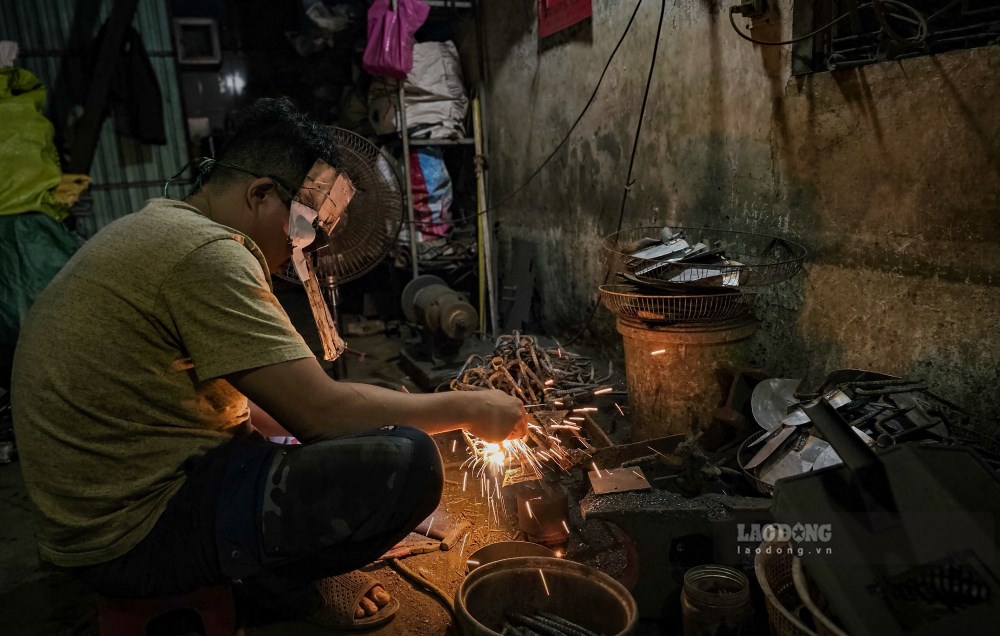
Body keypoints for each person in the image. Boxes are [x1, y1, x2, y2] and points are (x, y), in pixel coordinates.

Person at [10, 97, 526, 630]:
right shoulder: (207, 253)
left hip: (94, 519)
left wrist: (352, 420)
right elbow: (321, 414)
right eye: (301, 232)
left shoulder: (163, 228)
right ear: (259, 194)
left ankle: (262, 569)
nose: (301, 254)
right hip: (131, 537)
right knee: (409, 461)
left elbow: (261, 406)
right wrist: (472, 409)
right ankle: (276, 586)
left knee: (322, 437)